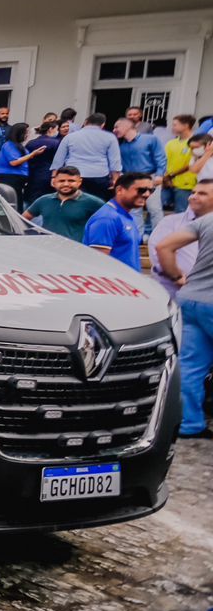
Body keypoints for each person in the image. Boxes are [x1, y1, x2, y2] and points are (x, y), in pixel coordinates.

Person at [152, 178, 213, 440]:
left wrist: (177, 276)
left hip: (191, 299)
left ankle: (190, 423)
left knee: (190, 364)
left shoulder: (204, 222)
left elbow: (164, 246)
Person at [82, 172, 152, 270]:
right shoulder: (107, 218)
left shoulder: (124, 215)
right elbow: (98, 263)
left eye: (151, 190)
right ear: (119, 190)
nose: (147, 194)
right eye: (141, 190)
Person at [149, 179, 205, 298]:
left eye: (202, 194)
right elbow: (157, 252)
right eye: (193, 192)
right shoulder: (172, 223)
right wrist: (176, 277)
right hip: (175, 294)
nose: (194, 197)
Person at [23, 166, 104, 242]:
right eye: (61, 181)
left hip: (76, 251)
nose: (66, 184)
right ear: (54, 182)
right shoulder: (44, 200)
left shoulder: (93, 203)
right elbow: (22, 219)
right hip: (47, 249)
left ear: (79, 182)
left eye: (71, 181)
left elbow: (108, 224)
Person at [115, 117, 167, 236]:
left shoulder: (150, 139)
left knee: (154, 208)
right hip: (131, 179)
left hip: (150, 177)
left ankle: (159, 236)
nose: (115, 130)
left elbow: (160, 157)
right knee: (135, 209)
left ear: (126, 126)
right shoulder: (121, 145)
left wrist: (160, 175)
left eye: (117, 127)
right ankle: (137, 237)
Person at [52, 112, 121, 200]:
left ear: (85, 122)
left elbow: (58, 159)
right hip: (99, 175)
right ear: (103, 124)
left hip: (74, 174)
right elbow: (115, 161)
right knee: (97, 204)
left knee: (73, 202)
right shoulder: (110, 137)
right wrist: (116, 179)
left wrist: (54, 176)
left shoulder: (70, 137)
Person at [0, 123, 42, 208]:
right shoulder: (9, 145)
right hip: (8, 177)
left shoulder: (19, 146)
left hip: (17, 179)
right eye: (26, 133)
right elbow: (14, 162)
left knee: (17, 202)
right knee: (10, 203)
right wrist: (33, 154)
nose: (27, 135)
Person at [164, 114, 199, 213]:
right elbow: (164, 161)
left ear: (186, 125)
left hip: (185, 185)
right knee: (156, 209)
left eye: (175, 125)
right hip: (168, 183)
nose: (172, 127)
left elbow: (192, 164)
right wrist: (165, 178)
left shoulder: (196, 142)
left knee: (181, 212)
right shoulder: (171, 143)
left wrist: (171, 175)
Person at [24, 120, 63, 203]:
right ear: (50, 129)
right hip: (48, 174)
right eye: (56, 129)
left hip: (32, 174)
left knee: (31, 200)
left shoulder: (31, 143)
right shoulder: (56, 143)